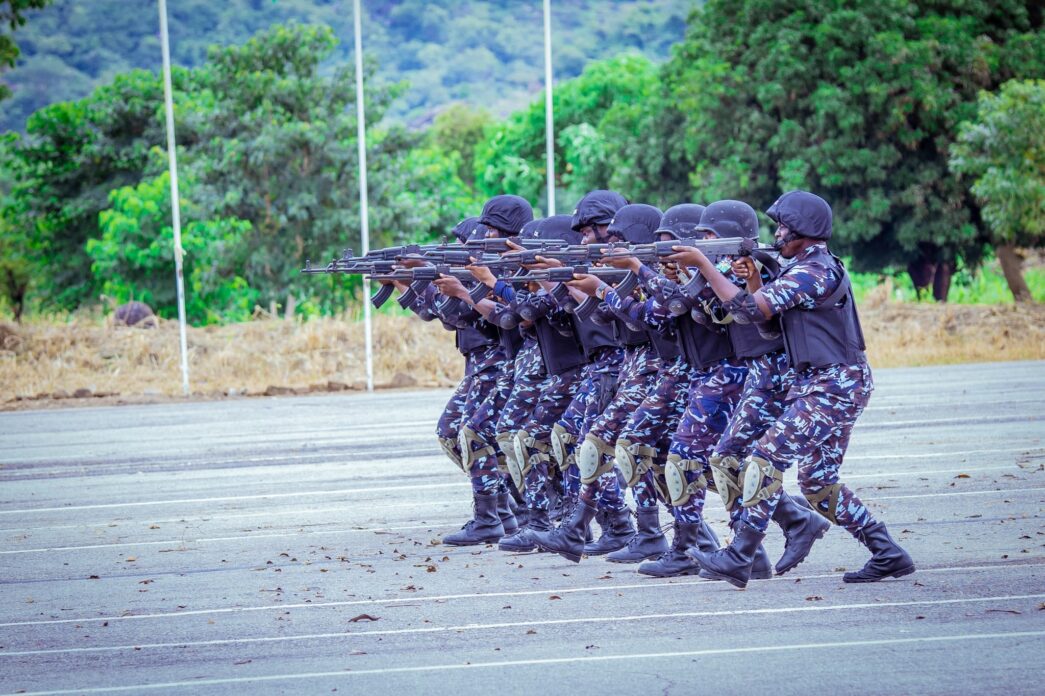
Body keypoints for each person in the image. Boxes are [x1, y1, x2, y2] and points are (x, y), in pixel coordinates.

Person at [670, 190, 915, 587]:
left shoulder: (814, 270)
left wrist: (702, 264)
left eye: (783, 226)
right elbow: (764, 326)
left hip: (834, 384)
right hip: (823, 383)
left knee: (766, 458)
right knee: (817, 482)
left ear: (804, 230)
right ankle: (887, 551)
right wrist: (750, 280)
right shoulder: (798, 267)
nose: (778, 233)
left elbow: (751, 311)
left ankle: (741, 553)